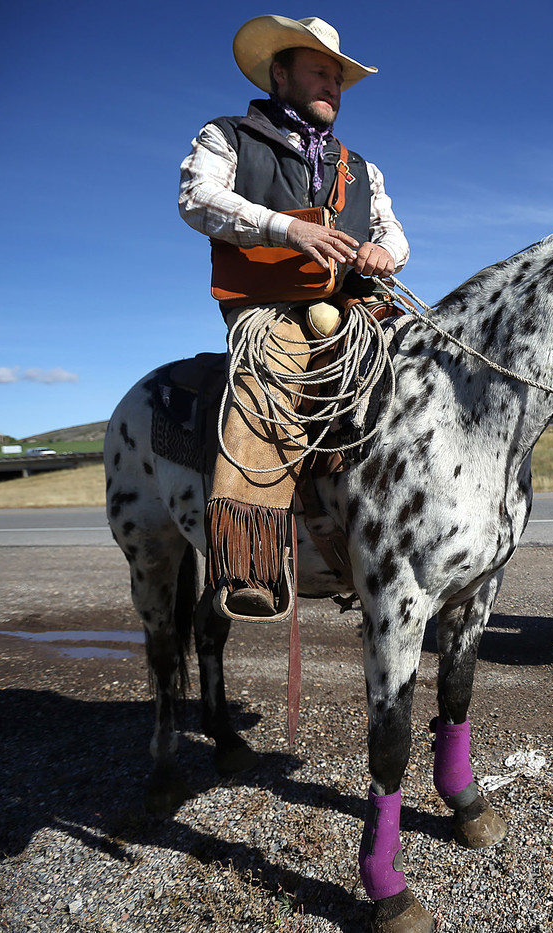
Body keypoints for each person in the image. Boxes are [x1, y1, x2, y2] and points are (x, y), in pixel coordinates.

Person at [179, 15, 409, 622]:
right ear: (281, 75)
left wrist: (383, 251)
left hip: (355, 305)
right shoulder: (226, 136)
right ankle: (250, 565)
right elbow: (198, 200)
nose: (333, 85)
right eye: (320, 73)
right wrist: (287, 228)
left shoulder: (362, 168)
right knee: (270, 379)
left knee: (417, 371)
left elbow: (393, 232)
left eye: (338, 77)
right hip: (267, 308)